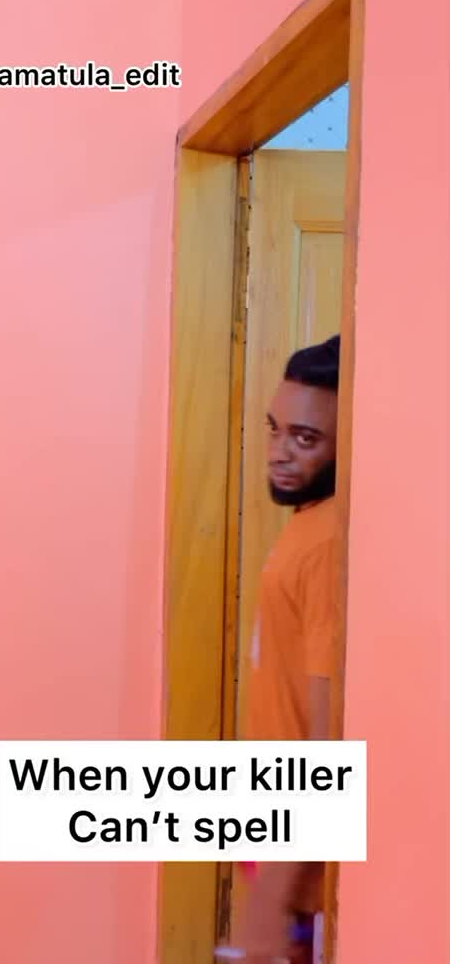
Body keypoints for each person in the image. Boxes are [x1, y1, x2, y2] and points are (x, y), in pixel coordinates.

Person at [240, 334, 340, 964]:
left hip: (301, 871)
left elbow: (327, 736)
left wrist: (274, 897)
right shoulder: (308, 522)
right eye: (276, 430)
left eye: (305, 439)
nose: (279, 452)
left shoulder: (328, 541)